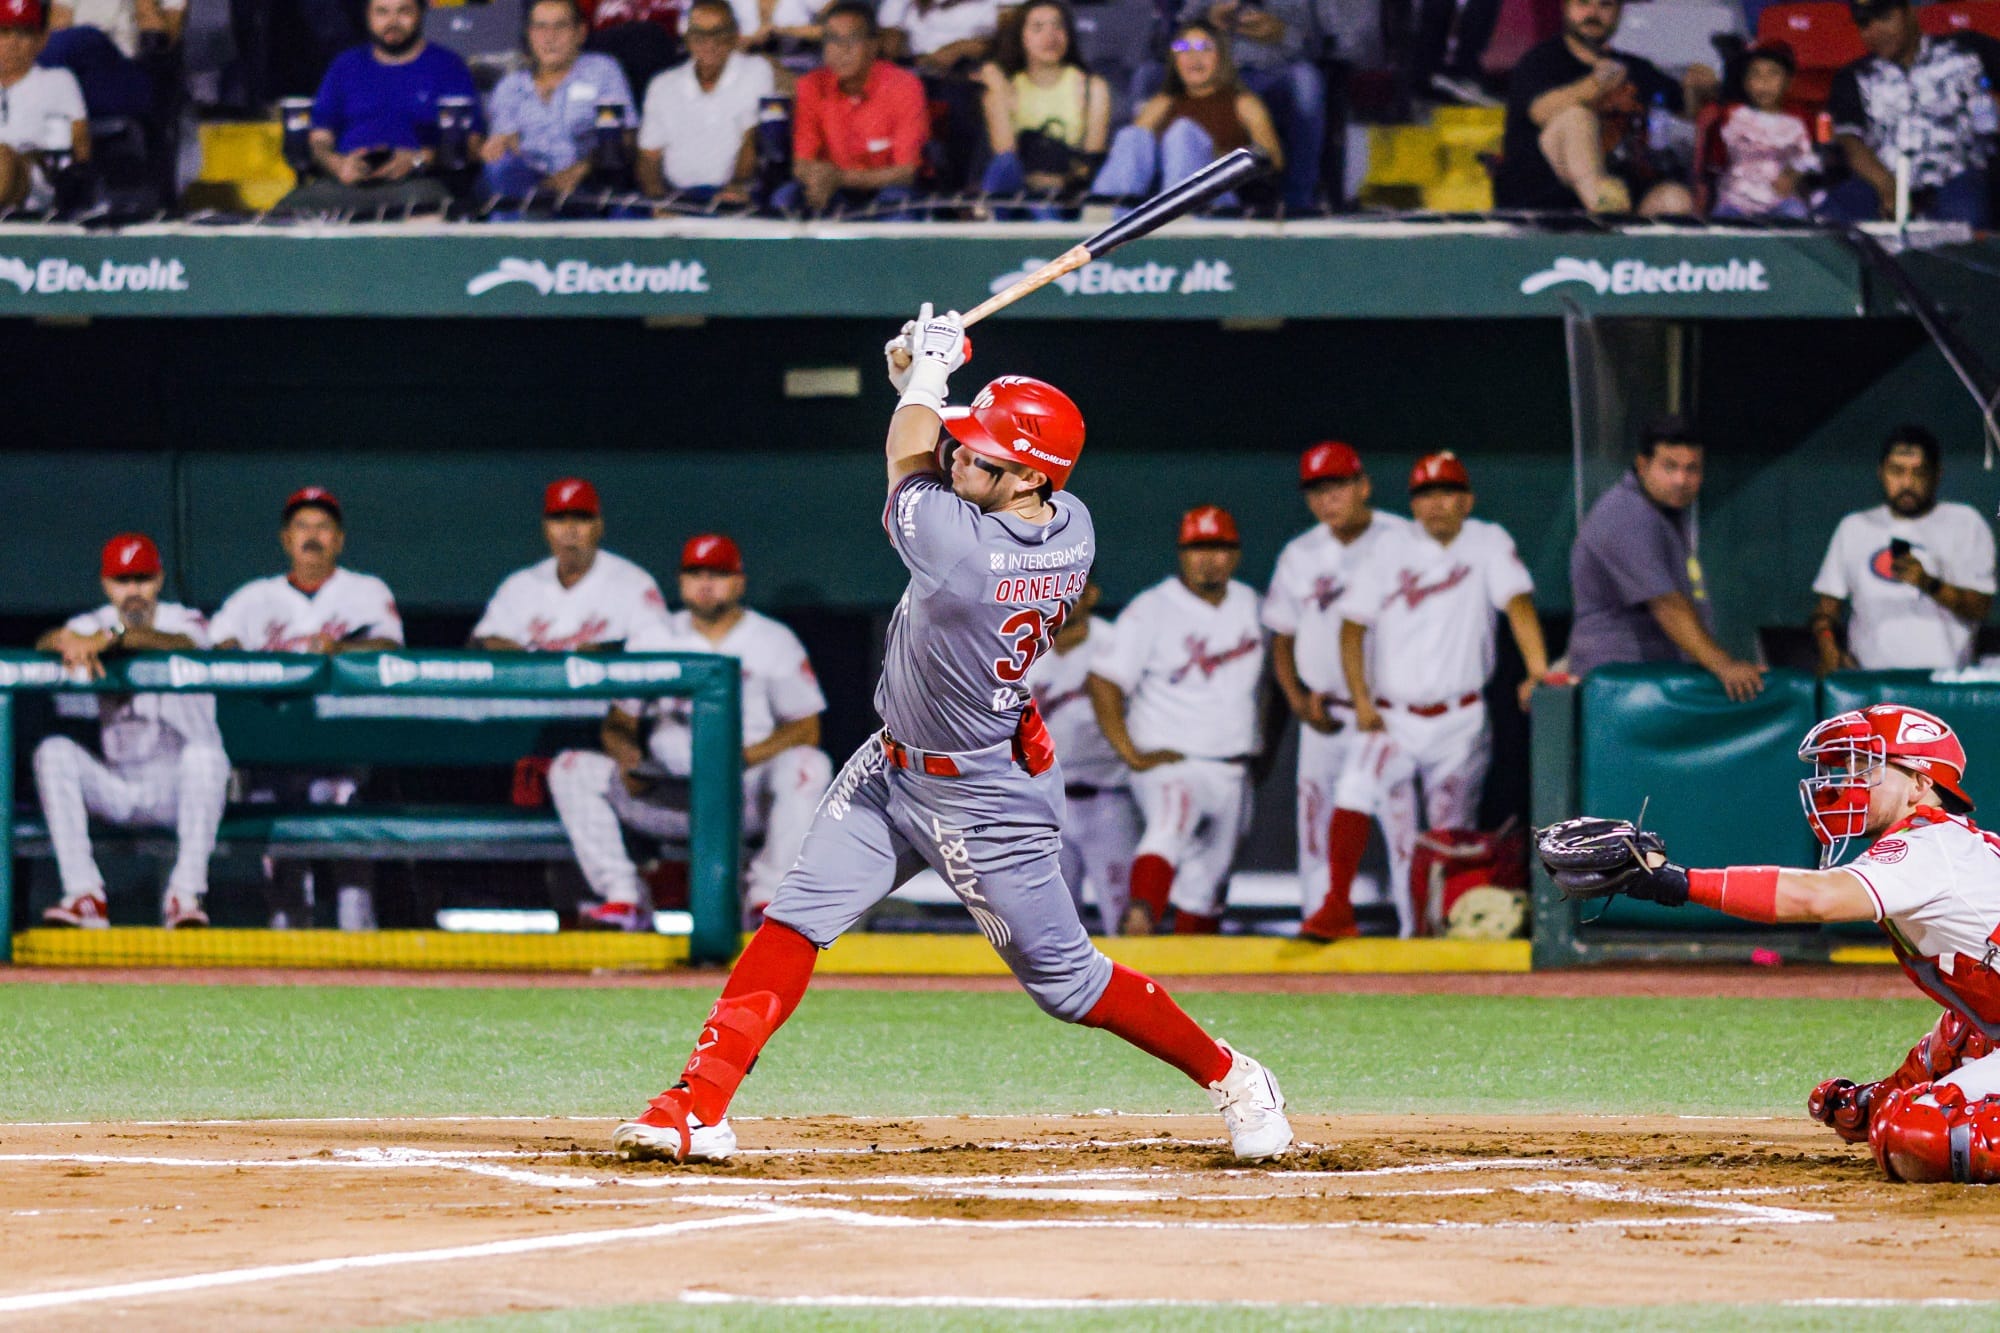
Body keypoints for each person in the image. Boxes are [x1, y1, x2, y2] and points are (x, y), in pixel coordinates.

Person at [609, 308, 1292, 1166]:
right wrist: (921, 388)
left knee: (1070, 984)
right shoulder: (1067, 519)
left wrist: (925, 380)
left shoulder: (963, 555)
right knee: (791, 923)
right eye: (966, 446)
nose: (963, 456)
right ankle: (695, 1101)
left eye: (987, 458)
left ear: (1026, 482)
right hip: (894, 766)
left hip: (979, 793)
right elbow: (938, 456)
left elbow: (908, 459)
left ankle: (1236, 1076)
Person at [1539, 704, 2000, 1183]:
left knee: (1914, 1134)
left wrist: (1678, 883)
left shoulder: (1929, 845)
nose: (1846, 782)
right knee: (1953, 1040)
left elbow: (1816, 898)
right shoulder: (1945, 844)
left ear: (1921, 784)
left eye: (1866, 767)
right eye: (1845, 768)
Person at [1303, 452, 1548, 940]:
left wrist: (1538, 668)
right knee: (1354, 786)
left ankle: (1426, 935)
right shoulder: (1391, 547)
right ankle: (1335, 907)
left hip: (1460, 720)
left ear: (1467, 500)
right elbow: (1352, 629)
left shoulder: (1487, 541)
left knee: (1443, 832)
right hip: (1392, 718)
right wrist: (1362, 699)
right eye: (1425, 495)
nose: (1436, 505)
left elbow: (1517, 604)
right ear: (1413, 503)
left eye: (1447, 493)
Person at [549, 533, 832, 930]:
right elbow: (619, 722)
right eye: (695, 573)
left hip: (741, 791)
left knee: (808, 764)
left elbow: (805, 728)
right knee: (570, 767)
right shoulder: (654, 636)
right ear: (681, 582)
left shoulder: (773, 640)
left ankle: (766, 898)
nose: (705, 582)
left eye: (717, 573)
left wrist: (743, 758)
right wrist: (627, 756)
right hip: (665, 793)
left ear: (738, 582)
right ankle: (624, 897)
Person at [210, 487, 403, 931]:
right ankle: (288, 954)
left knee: (345, 817)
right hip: (272, 754)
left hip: (340, 751)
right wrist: (242, 656)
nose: (312, 535)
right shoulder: (252, 598)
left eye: (322, 527)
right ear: (285, 538)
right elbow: (219, 641)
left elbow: (389, 643)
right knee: (282, 880)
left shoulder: (365, 591)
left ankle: (360, 942)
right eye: (302, 526)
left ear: (339, 539)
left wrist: (343, 649)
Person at [1088, 505, 1268, 936]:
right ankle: (1140, 917)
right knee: (1170, 824)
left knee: (1209, 881)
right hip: (1171, 759)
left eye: (1218, 547)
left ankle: (1192, 975)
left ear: (1236, 554)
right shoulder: (1151, 608)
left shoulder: (1253, 606)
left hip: (1232, 766)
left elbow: (1272, 689)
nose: (1207, 557)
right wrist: (1129, 751)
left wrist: (1265, 749)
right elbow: (1104, 681)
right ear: (1182, 554)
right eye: (1197, 547)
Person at [33, 534, 226, 931]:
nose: (133, 590)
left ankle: (184, 896)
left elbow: (183, 643)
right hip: (119, 787)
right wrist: (69, 641)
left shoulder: (182, 619)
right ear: (107, 585)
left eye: (142, 578)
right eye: (122, 580)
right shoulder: (92, 623)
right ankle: (84, 895)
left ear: (158, 580)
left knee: (206, 757)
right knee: (53, 751)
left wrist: (111, 640)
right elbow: (45, 642)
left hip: (181, 791)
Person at [1262, 441, 1410, 926]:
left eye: (1338, 486)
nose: (1329, 499)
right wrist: (1297, 700)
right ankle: (1320, 925)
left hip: (1391, 713)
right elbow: (1281, 635)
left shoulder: (1403, 539)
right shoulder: (1300, 553)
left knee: (1404, 829)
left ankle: (1420, 934)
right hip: (1325, 715)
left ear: (1363, 486)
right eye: (1318, 490)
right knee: (1315, 828)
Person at [1567, 417, 1764, 700]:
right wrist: (1724, 665)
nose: (1681, 480)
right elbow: (1667, 605)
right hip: (1616, 690)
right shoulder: (1628, 514)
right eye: (1670, 466)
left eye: (1692, 468)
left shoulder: (1664, 513)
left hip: (1646, 684)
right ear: (1643, 465)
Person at [1493, 0, 1717, 215]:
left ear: (1619, 12)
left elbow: (1687, 110)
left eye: (1606, 4)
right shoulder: (1540, 61)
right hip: (1546, 200)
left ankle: (1615, 218)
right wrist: (1596, 84)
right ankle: (1604, 203)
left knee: (1676, 200)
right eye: (1583, 3)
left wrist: (1697, 89)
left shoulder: (1633, 68)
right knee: (1576, 117)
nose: (1593, 13)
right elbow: (1540, 112)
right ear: (1566, 7)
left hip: (1626, 199)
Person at [1810, 425, 1995, 673]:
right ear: (1881, 472)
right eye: (1897, 471)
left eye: (1918, 472)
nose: (1907, 483)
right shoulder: (1854, 527)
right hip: (1871, 682)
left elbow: (1980, 607)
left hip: (1944, 681)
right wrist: (1828, 646)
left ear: (1937, 474)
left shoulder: (1965, 522)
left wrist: (1928, 583)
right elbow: (1826, 610)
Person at [281, 0, 483, 213]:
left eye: (403, 11)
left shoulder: (448, 66)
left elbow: (472, 144)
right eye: (382, 12)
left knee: (429, 209)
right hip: (347, 184)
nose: (392, 22)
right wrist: (337, 164)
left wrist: (417, 159)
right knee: (284, 213)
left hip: (417, 184)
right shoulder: (345, 66)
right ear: (368, 16)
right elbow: (319, 139)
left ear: (421, 14)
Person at [1820, 0, 2000, 227]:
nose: (1875, 31)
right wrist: (1887, 185)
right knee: (1831, 219)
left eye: (1884, 18)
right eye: (1864, 24)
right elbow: (1849, 140)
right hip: (1883, 178)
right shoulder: (1854, 75)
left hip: (1959, 174)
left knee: (1962, 222)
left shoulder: (1967, 50)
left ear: (1910, 12)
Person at [1025, 578, 1139, 933]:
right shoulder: (1022, 649)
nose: (1060, 597)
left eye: (1072, 588)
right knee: (1049, 926)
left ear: (1092, 593)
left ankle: (1129, 989)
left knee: (1123, 919)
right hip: (1044, 804)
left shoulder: (1116, 644)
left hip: (1108, 800)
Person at [1091, 21, 1281, 207]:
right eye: (1183, 48)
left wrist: (1214, 156)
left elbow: (1273, 162)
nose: (1193, 57)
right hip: (1156, 203)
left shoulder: (1244, 103)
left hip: (1219, 203)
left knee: (1182, 134)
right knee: (1132, 136)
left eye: (1203, 47)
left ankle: (1177, 215)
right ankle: (1104, 217)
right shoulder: (1162, 103)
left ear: (1221, 56)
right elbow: (1131, 156)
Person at [472, 478, 668, 652]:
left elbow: (658, 648)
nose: (569, 530)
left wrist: (607, 654)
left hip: (602, 693)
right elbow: (480, 642)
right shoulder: (518, 586)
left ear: (599, 526)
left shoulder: (635, 584)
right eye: (559, 519)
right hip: (535, 692)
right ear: (546, 528)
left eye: (581, 518)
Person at [773, 2, 926, 216]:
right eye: (833, 40)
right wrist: (816, 178)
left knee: (898, 204)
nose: (842, 50)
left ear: (873, 46)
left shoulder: (904, 85)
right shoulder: (811, 85)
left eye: (852, 39)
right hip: (833, 188)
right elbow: (802, 162)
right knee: (786, 198)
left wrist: (840, 178)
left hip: (885, 188)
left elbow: (906, 172)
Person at [478, 0, 634, 202]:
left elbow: (626, 138)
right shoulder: (511, 87)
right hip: (530, 186)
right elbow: (506, 144)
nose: (549, 37)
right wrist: (499, 146)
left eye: (560, 26)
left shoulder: (602, 71)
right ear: (529, 34)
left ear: (580, 33)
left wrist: (581, 169)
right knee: (499, 169)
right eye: (540, 27)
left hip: (589, 182)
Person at [1178, 0, 1325, 211]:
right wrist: (1211, 19)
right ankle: (1208, 198)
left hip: (1279, 71)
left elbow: (1316, 43)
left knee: (1308, 82)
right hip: (1223, 70)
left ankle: (1298, 199)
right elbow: (1179, 31)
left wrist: (1282, 33)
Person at [975, 0, 1110, 205]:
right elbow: (1005, 156)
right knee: (1004, 165)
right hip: (1017, 189)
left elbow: (1090, 163)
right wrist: (1002, 93)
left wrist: (1055, 181)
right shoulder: (1002, 89)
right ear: (1021, 37)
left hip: (1066, 191)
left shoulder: (1093, 87)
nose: (1050, 36)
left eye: (1058, 26)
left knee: (1044, 200)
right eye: (1038, 28)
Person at [635, 0, 772, 202]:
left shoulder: (756, 70)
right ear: (687, 38)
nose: (710, 42)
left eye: (719, 32)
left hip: (731, 193)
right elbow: (649, 157)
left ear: (735, 35)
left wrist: (736, 187)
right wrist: (658, 200)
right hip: (675, 196)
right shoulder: (663, 85)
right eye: (700, 34)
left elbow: (752, 139)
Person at [1706, 40, 1818, 220]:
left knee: (1797, 217)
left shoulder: (1798, 122)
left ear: (1788, 81)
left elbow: (1809, 157)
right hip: (1736, 199)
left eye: (1773, 74)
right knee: (1721, 225)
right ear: (1745, 83)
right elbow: (1716, 162)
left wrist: (1793, 174)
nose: (1764, 82)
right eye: (1755, 75)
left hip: (1779, 199)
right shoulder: (1731, 117)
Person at [0, 0, 87, 211]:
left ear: (41, 39)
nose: (13, 43)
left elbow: (80, 149)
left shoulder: (58, 81)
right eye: (4, 32)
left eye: (24, 33)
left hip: (36, 178)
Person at [879, 0, 1001, 73]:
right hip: (913, 68)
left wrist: (960, 48)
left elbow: (1006, 38)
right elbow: (888, 36)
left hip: (968, 71)